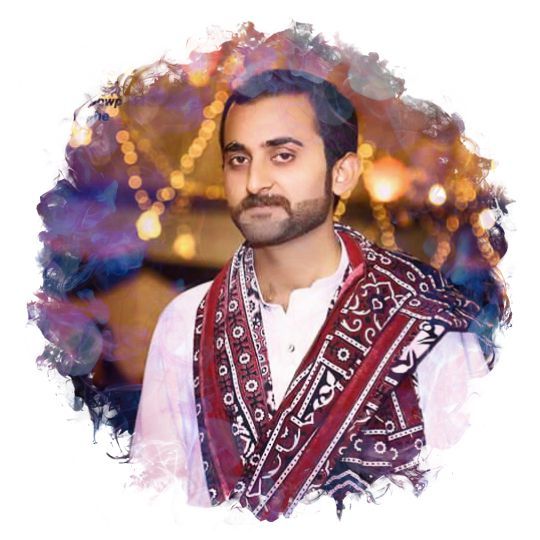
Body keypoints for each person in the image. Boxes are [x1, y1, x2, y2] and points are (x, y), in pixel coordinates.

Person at [129, 69, 493, 521]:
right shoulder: (187, 320)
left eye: (282, 156)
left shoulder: (425, 319)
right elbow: (151, 507)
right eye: (238, 159)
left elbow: (473, 506)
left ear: (342, 173)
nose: (255, 182)